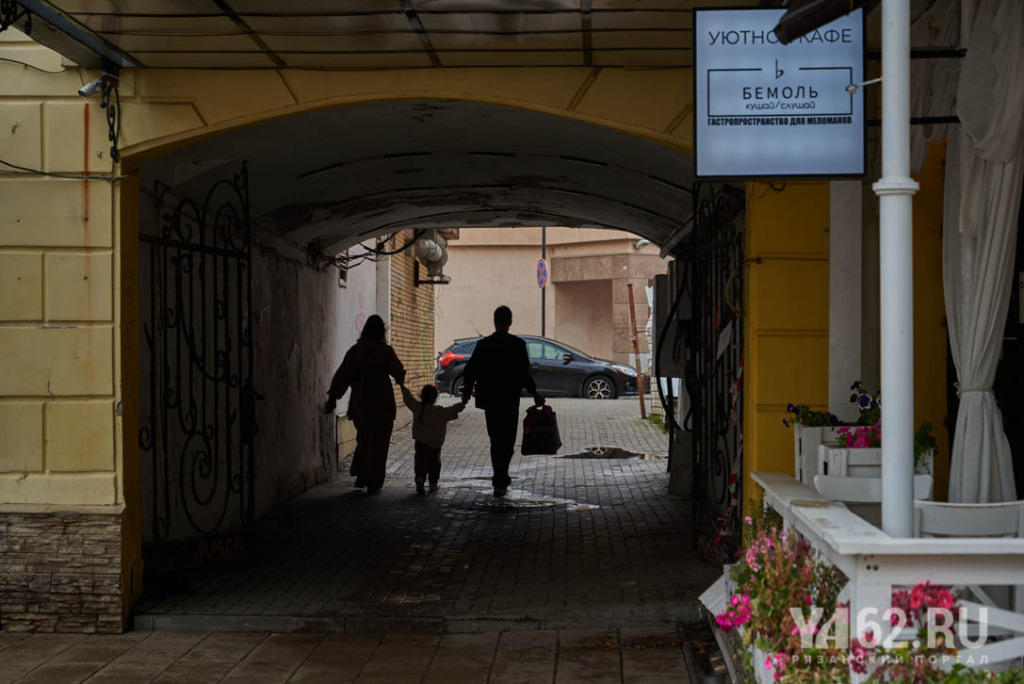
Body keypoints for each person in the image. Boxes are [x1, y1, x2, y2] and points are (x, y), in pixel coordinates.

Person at [460, 305, 544, 497]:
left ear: (494, 321)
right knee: (508, 439)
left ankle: (500, 477)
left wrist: (466, 392)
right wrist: (535, 393)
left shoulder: (483, 345)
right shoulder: (518, 345)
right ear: (510, 322)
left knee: (495, 439)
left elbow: (470, 369)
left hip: (490, 400)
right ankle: (501, 477)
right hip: (509, 399)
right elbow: (524, 373)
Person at [325, 315, 405, 494]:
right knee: (380, 443)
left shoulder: (355, 350)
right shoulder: (385, 351)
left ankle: (361, 472)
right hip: (383, 404)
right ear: (381, 331)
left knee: (364, 438)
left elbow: (342, 376)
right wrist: (401, 379)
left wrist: (333, 399)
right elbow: (398, 373)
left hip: (360, 404)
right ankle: (374, 480)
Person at [399, 382, 466, 496]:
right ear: (435, 397)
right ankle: (433, 484)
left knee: (420, 463)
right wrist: (463, 402)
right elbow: (453, 409)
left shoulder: (418, 408)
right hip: (435, 444)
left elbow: (408, 399)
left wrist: (402, 385)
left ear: (422, 395)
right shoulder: (440, 411)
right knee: (434, 464)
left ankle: (420, 479)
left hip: (420, 442)